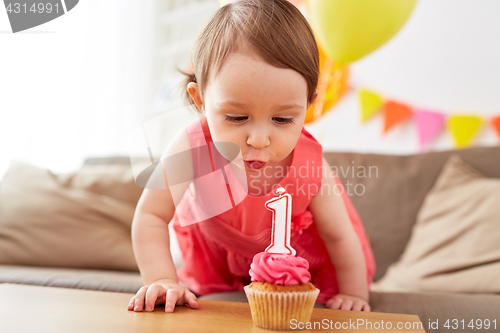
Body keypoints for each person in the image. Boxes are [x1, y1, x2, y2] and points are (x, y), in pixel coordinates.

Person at [127, 0, 376, 314]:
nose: (258, 139)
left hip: (296, 268)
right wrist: (162, 279)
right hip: (222, 260)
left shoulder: (309, 164)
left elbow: (340, 238)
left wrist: (356, 296)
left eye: (283, 120)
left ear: (308, 105)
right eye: (235, 117)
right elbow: (151, 216)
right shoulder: (191, 146)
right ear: (201, 100)